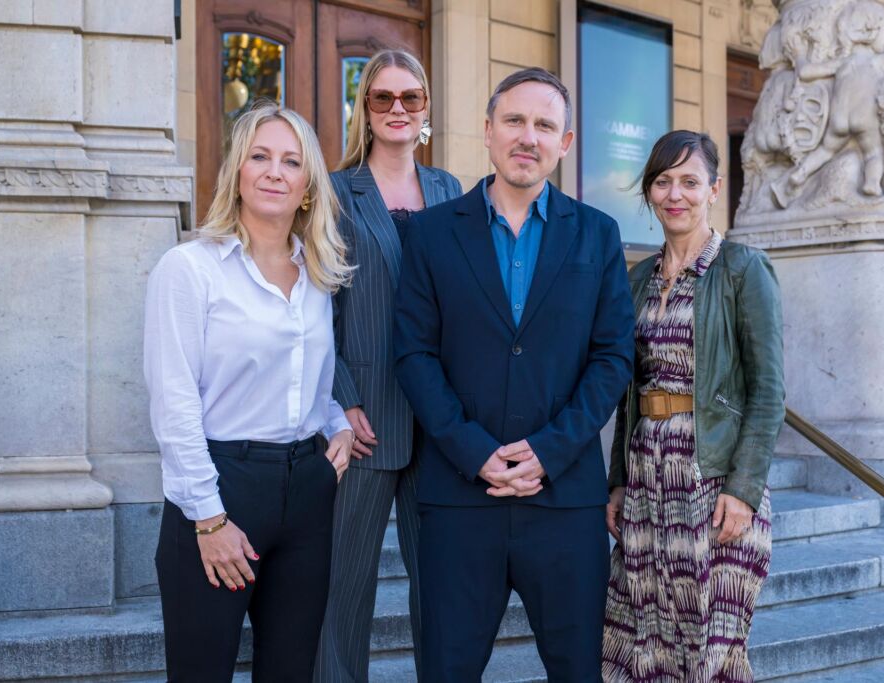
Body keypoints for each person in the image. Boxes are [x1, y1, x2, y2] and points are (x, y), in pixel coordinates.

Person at [393, 67, 635, 682]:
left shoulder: (599, 235)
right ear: (488, 131)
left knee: (579, 671)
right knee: (447, 670)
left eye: (545, 125)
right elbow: (414, 355)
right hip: (459, 498)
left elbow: (612, 358)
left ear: (566, 143)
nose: (528, 137)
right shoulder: (430, 233)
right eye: (515, 121)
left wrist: (549, 451)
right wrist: (474, 451)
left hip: (565, 502)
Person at [144, 103, 355, 682]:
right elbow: (174, 402)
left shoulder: (319, 274)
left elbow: (304, 379)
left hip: (307, 491)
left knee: (290, 672)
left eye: (291, 161)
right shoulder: (189, 269)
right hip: (221, 485)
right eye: (259, 156)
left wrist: (334, 422)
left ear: (308, 185)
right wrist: (208, 519)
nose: (273, 172)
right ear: (237, 171)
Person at [602, 130, 785, 682]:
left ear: (713, 189)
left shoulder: (740, 268)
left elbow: (768, 390)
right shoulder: (636, 279)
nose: (674, 193)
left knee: (711, 649)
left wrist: (744, 489)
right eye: (662, 181)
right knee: (641, 641)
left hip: (712, 481)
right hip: (646, 480)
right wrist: (616, 481)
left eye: (689, 181)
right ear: (649, 192)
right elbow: (627, 392)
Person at [314, 49, 461, 683]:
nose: (398, 109)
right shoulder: (336, 192)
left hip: (439, 419)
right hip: (366, 417)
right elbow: (317, 305)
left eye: (411, 98)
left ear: (426, 108)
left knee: (441, 590)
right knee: (344, 588)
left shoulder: (450, 189)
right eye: (383, 98)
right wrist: (342, 402)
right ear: (366, 111)